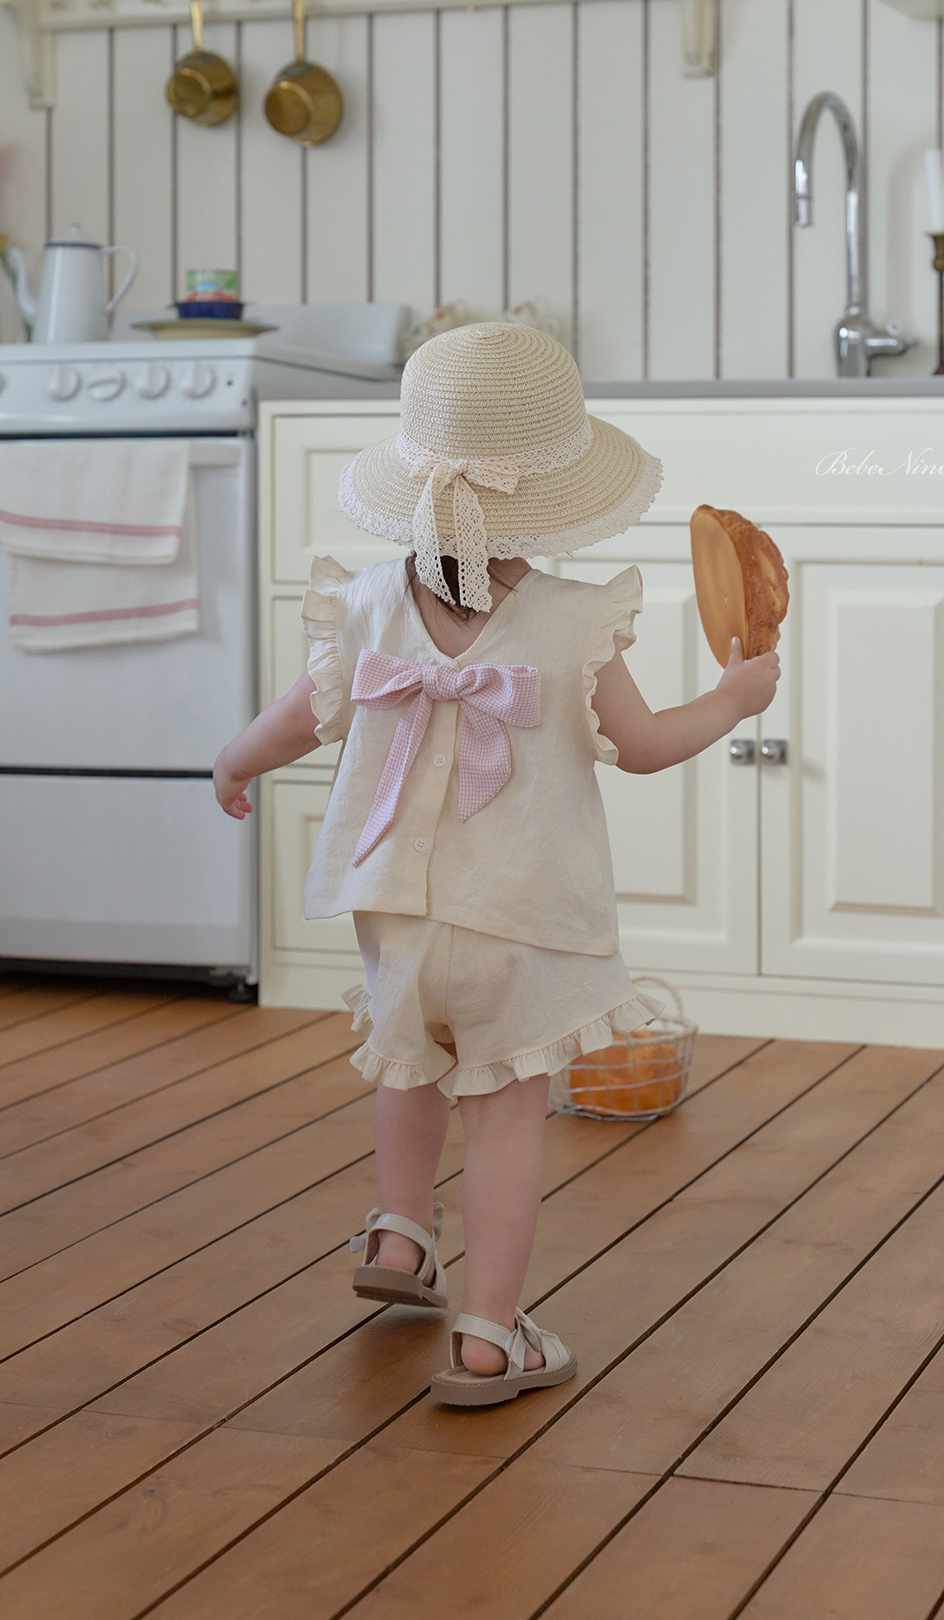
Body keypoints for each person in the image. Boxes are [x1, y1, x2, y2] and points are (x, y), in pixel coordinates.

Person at [213, 324, 779, 1408]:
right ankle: (488, 1338)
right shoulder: (574, 622)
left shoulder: (365, 603)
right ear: (552, 499)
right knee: (507, 1112)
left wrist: (233, 762)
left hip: (393, 914)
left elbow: (297, 719)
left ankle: (399, 1234)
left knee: (409, 1064)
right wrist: (734, 699)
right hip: (516, 920)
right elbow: (646, 746)